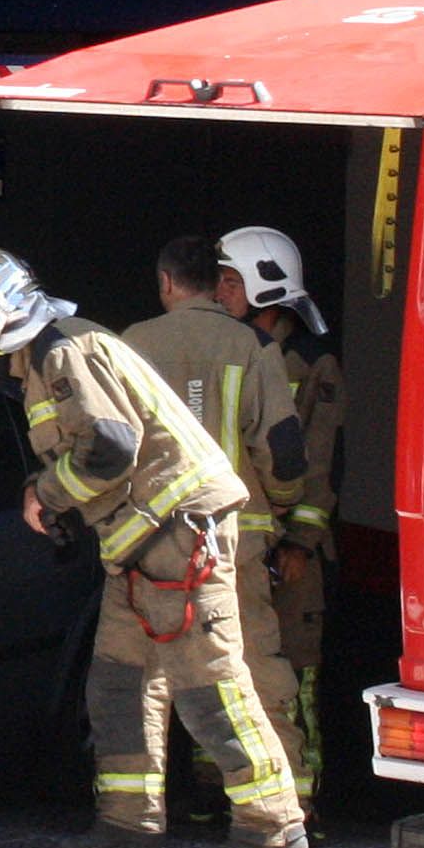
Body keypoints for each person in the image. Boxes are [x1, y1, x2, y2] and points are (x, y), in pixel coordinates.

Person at [0, 247, 303, 848]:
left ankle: (270, 820)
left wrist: (47, 493)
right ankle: (128, 822)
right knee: (118, 681)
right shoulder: (50, 351)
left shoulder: (63, 352)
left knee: (208, 682)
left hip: (180, 534)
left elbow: (112, 447)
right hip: (141, 544)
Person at [125, 232, 315, 810]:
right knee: (252, 671)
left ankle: (139, 813)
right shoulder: (254, 347)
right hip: (235, 542)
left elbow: (107, 444)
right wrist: (279, 503)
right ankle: (286, 809)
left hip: (149, 543)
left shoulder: (130, 345)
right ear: (215, 283)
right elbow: (283, 451)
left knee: (145, 679)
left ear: (165, 284)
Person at [219, 226, 345, 805]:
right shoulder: (223, 350)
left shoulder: (313, 364)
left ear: (264, 288)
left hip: (291, 556)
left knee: (293, 673)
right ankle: (219, 793)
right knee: (224, 671)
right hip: (232, 546)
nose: (219, 291)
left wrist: (299, 542)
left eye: (229, 280)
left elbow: (322, 464)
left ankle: (299, 798)